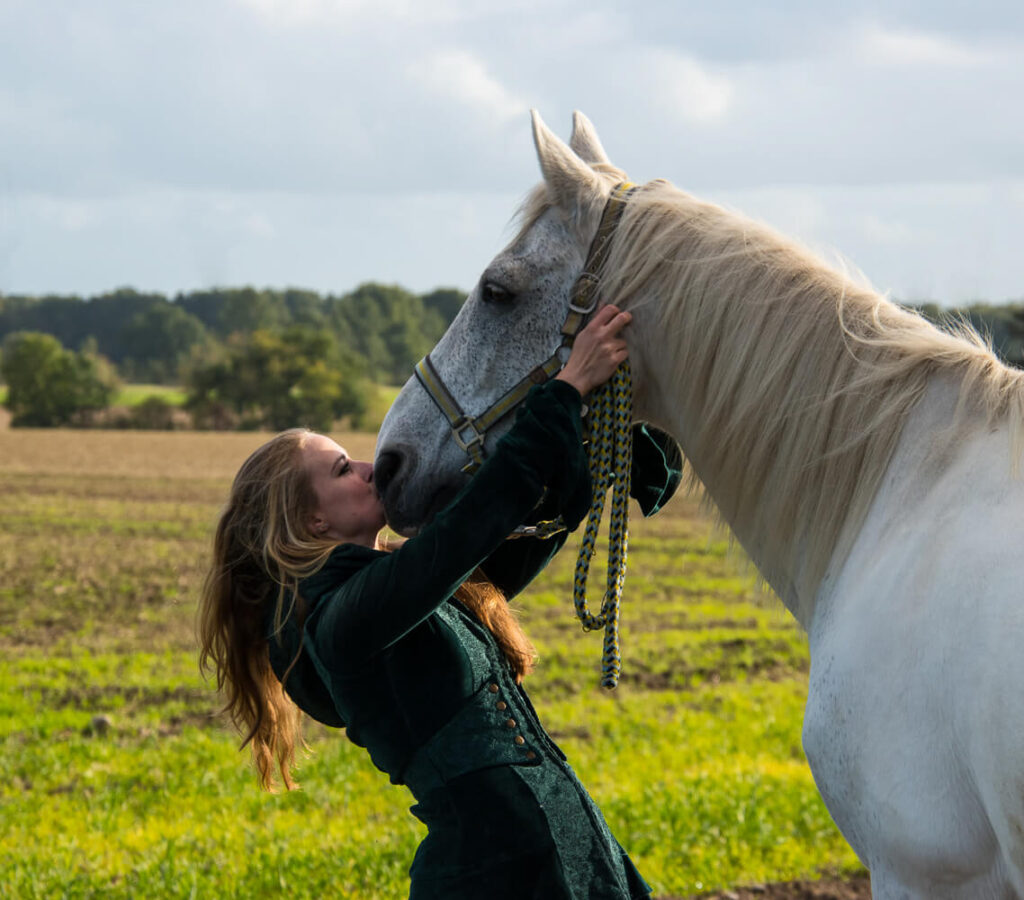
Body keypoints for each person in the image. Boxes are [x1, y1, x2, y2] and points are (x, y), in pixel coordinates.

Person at [198, 305, 656, 899]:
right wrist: (562, 392)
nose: (369, 468)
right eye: (343, 470)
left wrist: (602, 447)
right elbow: (463, 532)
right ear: (311, 519)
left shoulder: (391, 593)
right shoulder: (342, 623)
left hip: (568, 849)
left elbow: (506, 541)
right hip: (492, 875)